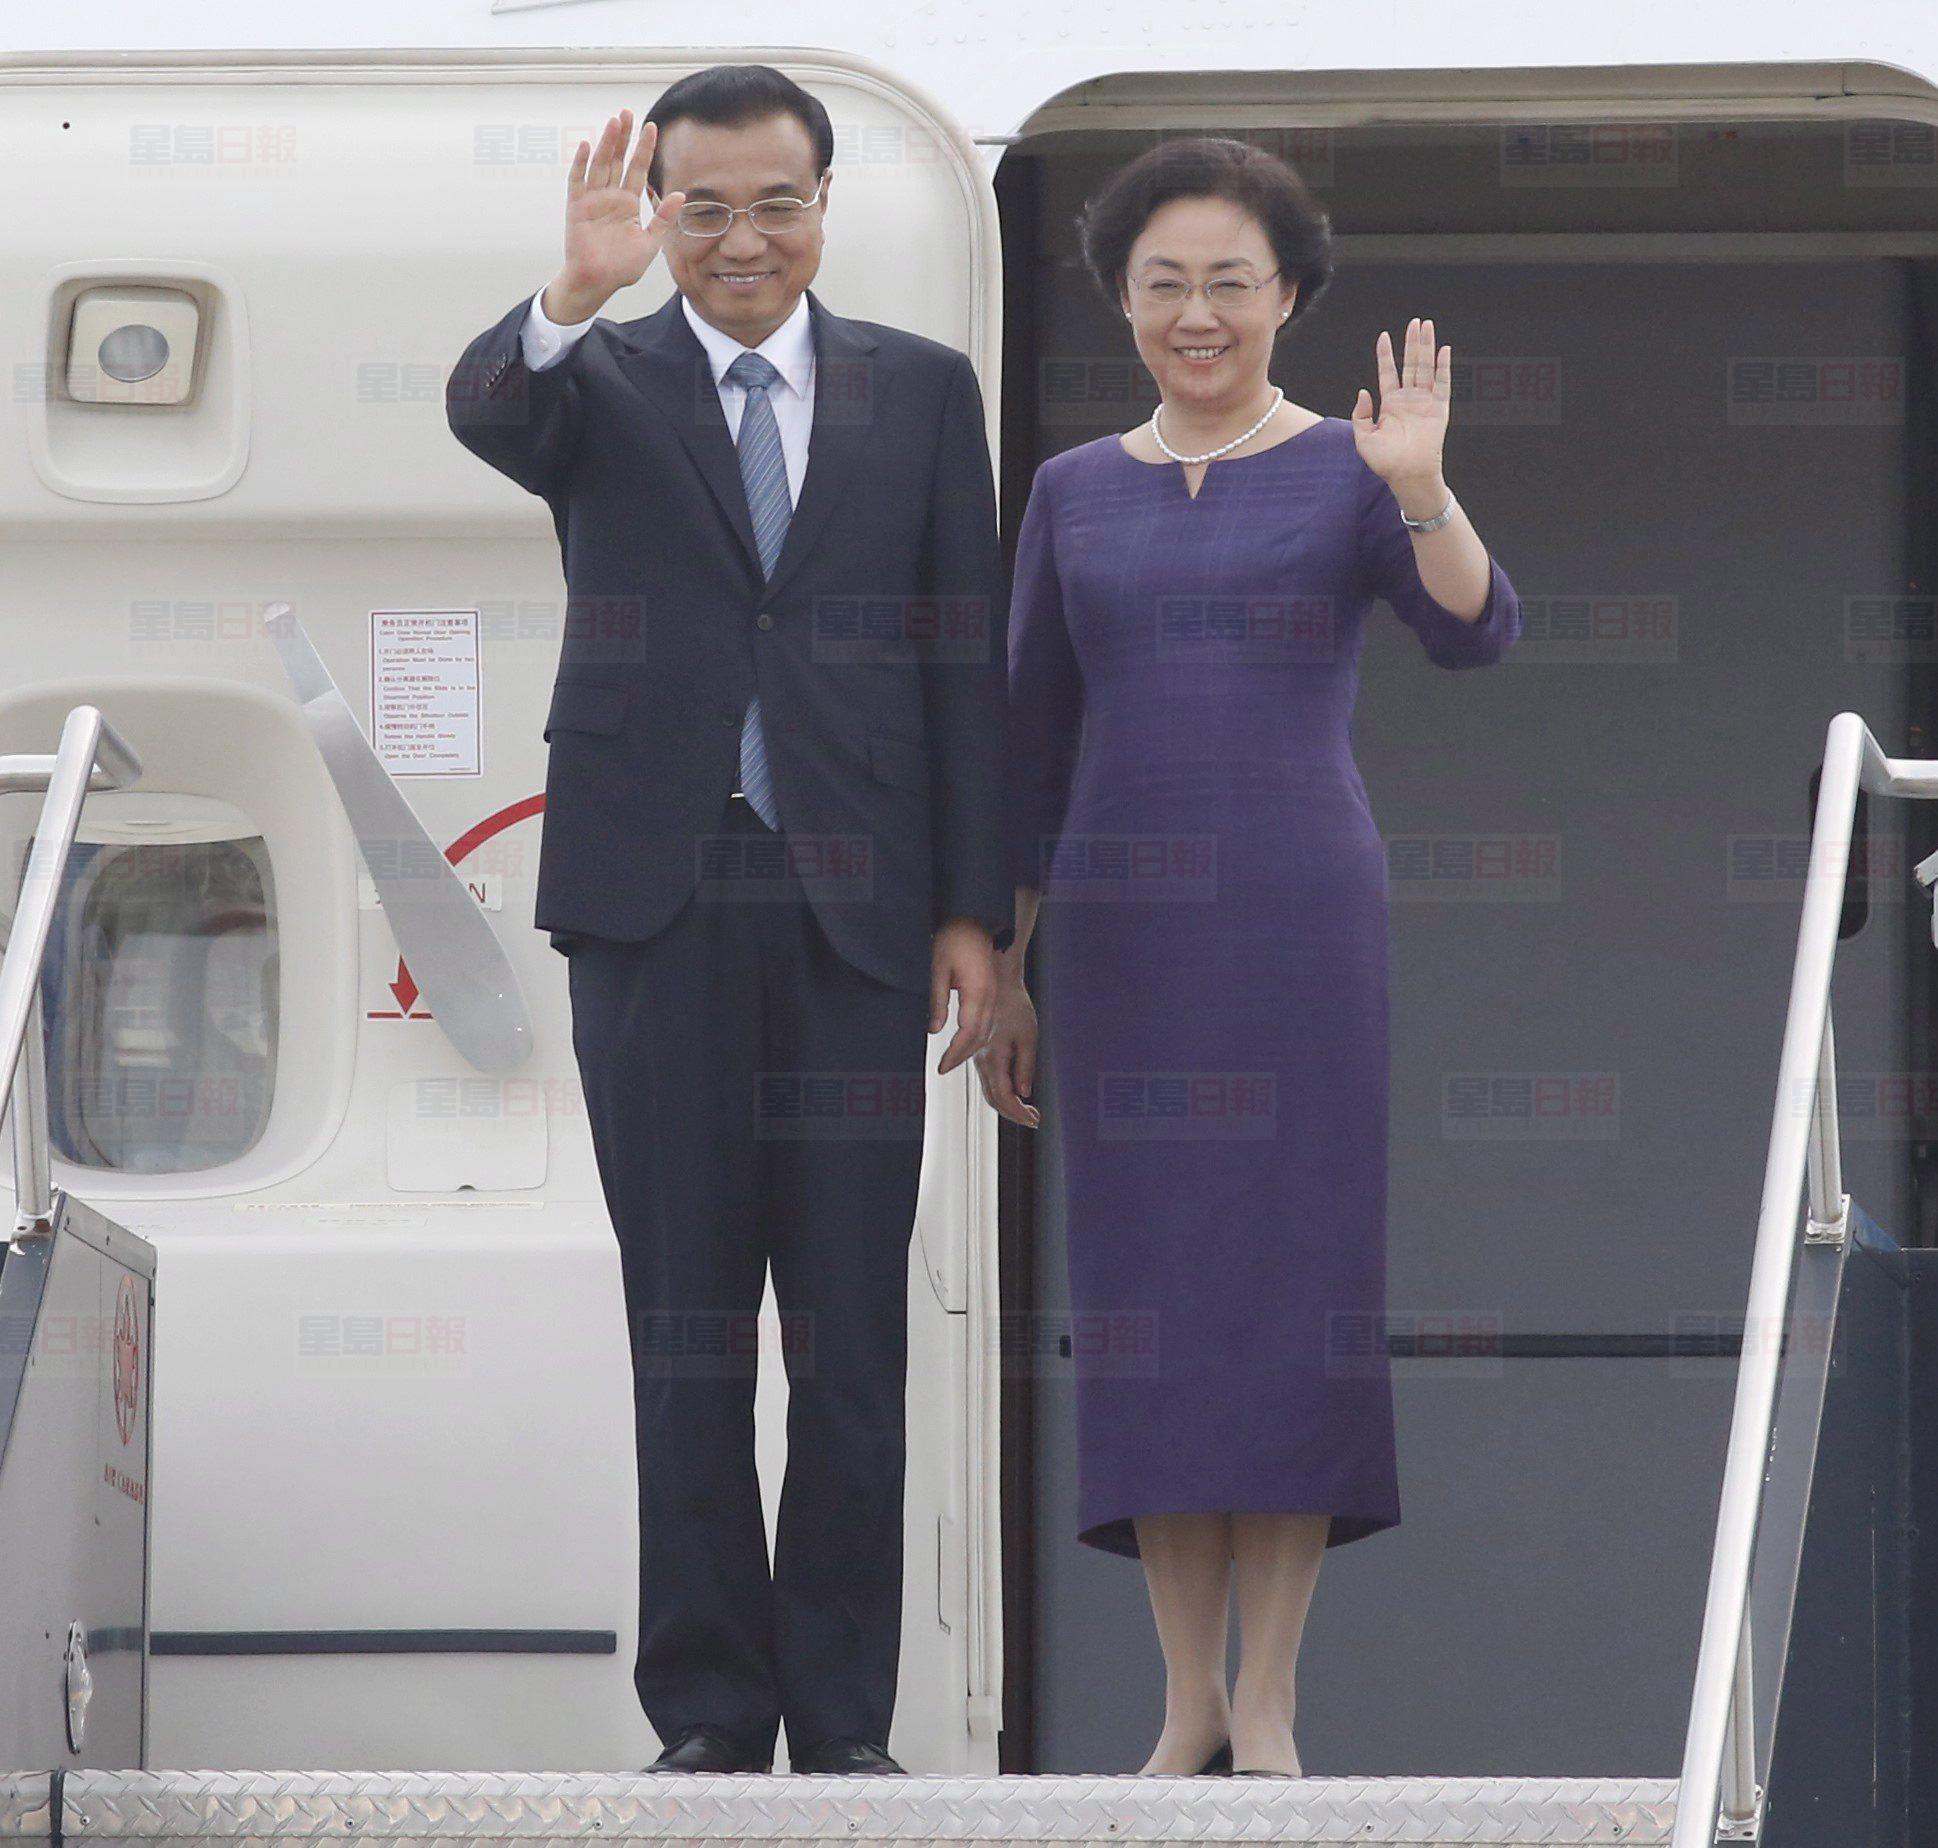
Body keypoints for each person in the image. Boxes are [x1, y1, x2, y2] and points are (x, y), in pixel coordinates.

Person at [445, 65, 1012, 1778]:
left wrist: (975, 913)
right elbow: (487, 414)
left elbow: (961, 667)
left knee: (851, 1336)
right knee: (684, 1329)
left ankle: (844, 1727)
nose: (742, 237)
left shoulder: (921, 391)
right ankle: (706, 1715)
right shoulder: (595, 377)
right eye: (706, 206)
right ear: (662, 211)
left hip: (855, 911)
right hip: (656, 898)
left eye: (775, 202)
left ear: (825, 204)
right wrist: (572, 287)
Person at [977, 135, 1523, 1778]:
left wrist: (1421, 484)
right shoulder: (1072, 489)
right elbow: (1025, 738)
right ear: (1120, 303)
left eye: (1229, 282)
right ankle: (1184, 1706)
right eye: (1164, 285)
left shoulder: (1355, 467)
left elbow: (1478, 628)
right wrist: (1004, 965)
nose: (1195, 313)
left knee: (1290, 1297)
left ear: (1286, 295)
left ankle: (1271, 1701)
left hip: (1296, 921)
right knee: (1148, 1305)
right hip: (1125, 936)